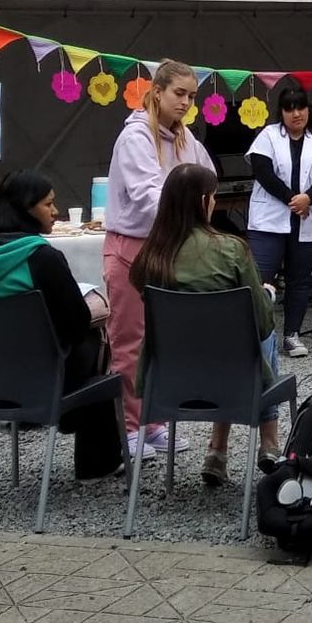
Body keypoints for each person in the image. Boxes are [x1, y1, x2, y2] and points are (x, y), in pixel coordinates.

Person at [0, 170, 124, 481]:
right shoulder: (42, 257)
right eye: (49, 204)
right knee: (96, 343)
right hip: (46, 376)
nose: (55, 212)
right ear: (28, 207)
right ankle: (97, 461)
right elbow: (76, 322)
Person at [129, 163, 283, 485]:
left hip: (171, 380)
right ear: (203, 202)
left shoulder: (149, 258)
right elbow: (263, 323)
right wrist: (267, 295)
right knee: (261, 329)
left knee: (221, 341)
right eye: (212, 196)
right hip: (233, 377)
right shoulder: (231, 249)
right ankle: (269, 441)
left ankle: (218, 450)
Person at [104, 58, 214, 459]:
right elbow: (150, 196)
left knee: (161, 339)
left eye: (192, 96)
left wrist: (198, 205)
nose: (186, 102)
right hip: (133, 247)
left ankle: (153, 420)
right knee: (130, 341)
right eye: (179, 94)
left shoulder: (186, 139)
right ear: (157, 92)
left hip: (168, 246)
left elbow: (207, 178)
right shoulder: (135, 137)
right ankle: (129, 426)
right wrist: (190, 217)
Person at [245, 87, 312, 358]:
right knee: (261, 278)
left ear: (309, 109)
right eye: (289, 108)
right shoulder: (268, 136)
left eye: (301, 107)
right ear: (281, 112)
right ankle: (259, 336)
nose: (296, 114)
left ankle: (292, 335)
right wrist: (291, 199)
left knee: (300, 279)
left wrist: (308, 198)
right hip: (270, 221)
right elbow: (262, 172)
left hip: (306, 219)